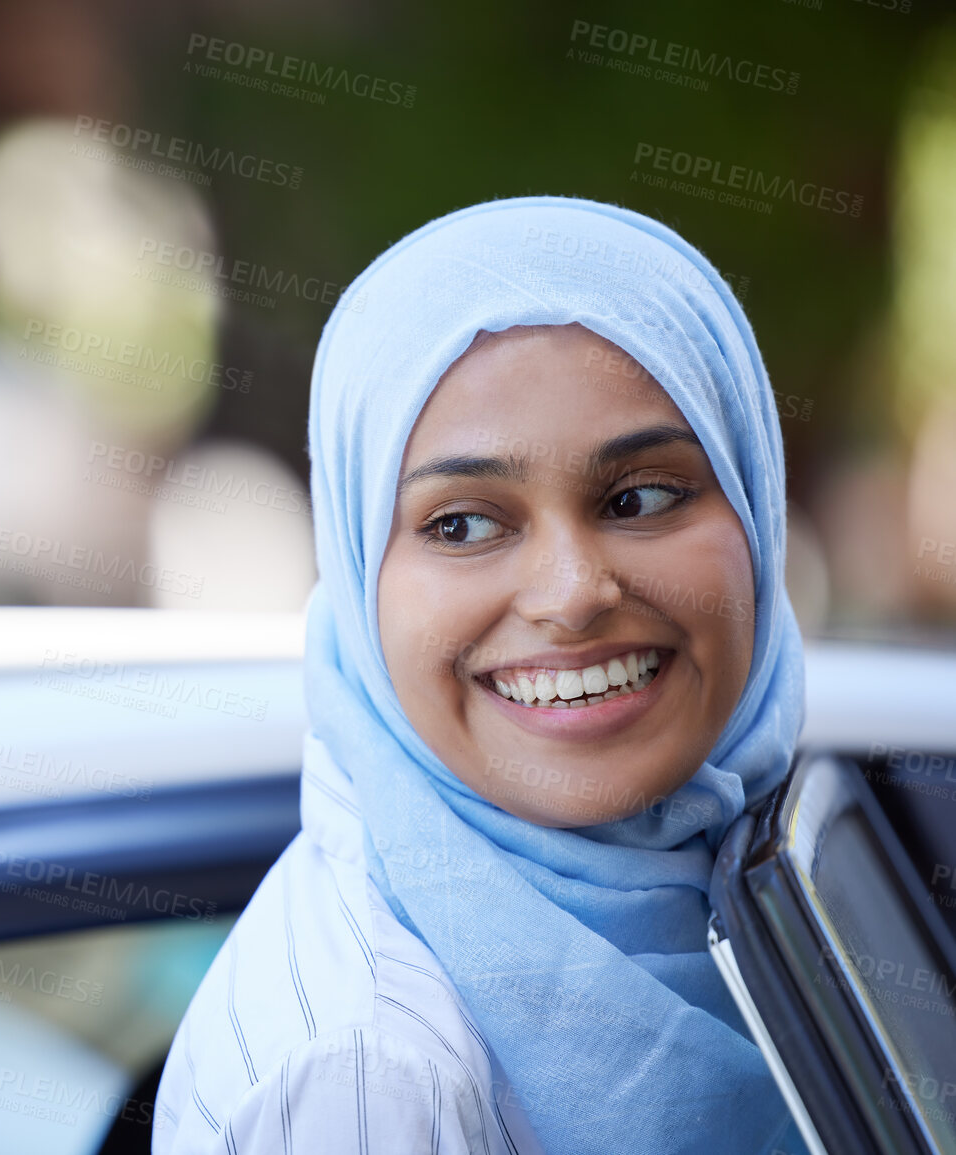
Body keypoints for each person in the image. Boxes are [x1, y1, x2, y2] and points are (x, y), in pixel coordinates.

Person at [152, 196, 808, 1155]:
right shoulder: (368, 1084)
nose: (573, 592)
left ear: (756, 508)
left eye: (641, 497)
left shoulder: (790, 875)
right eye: (461, 523)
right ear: (355, 567)